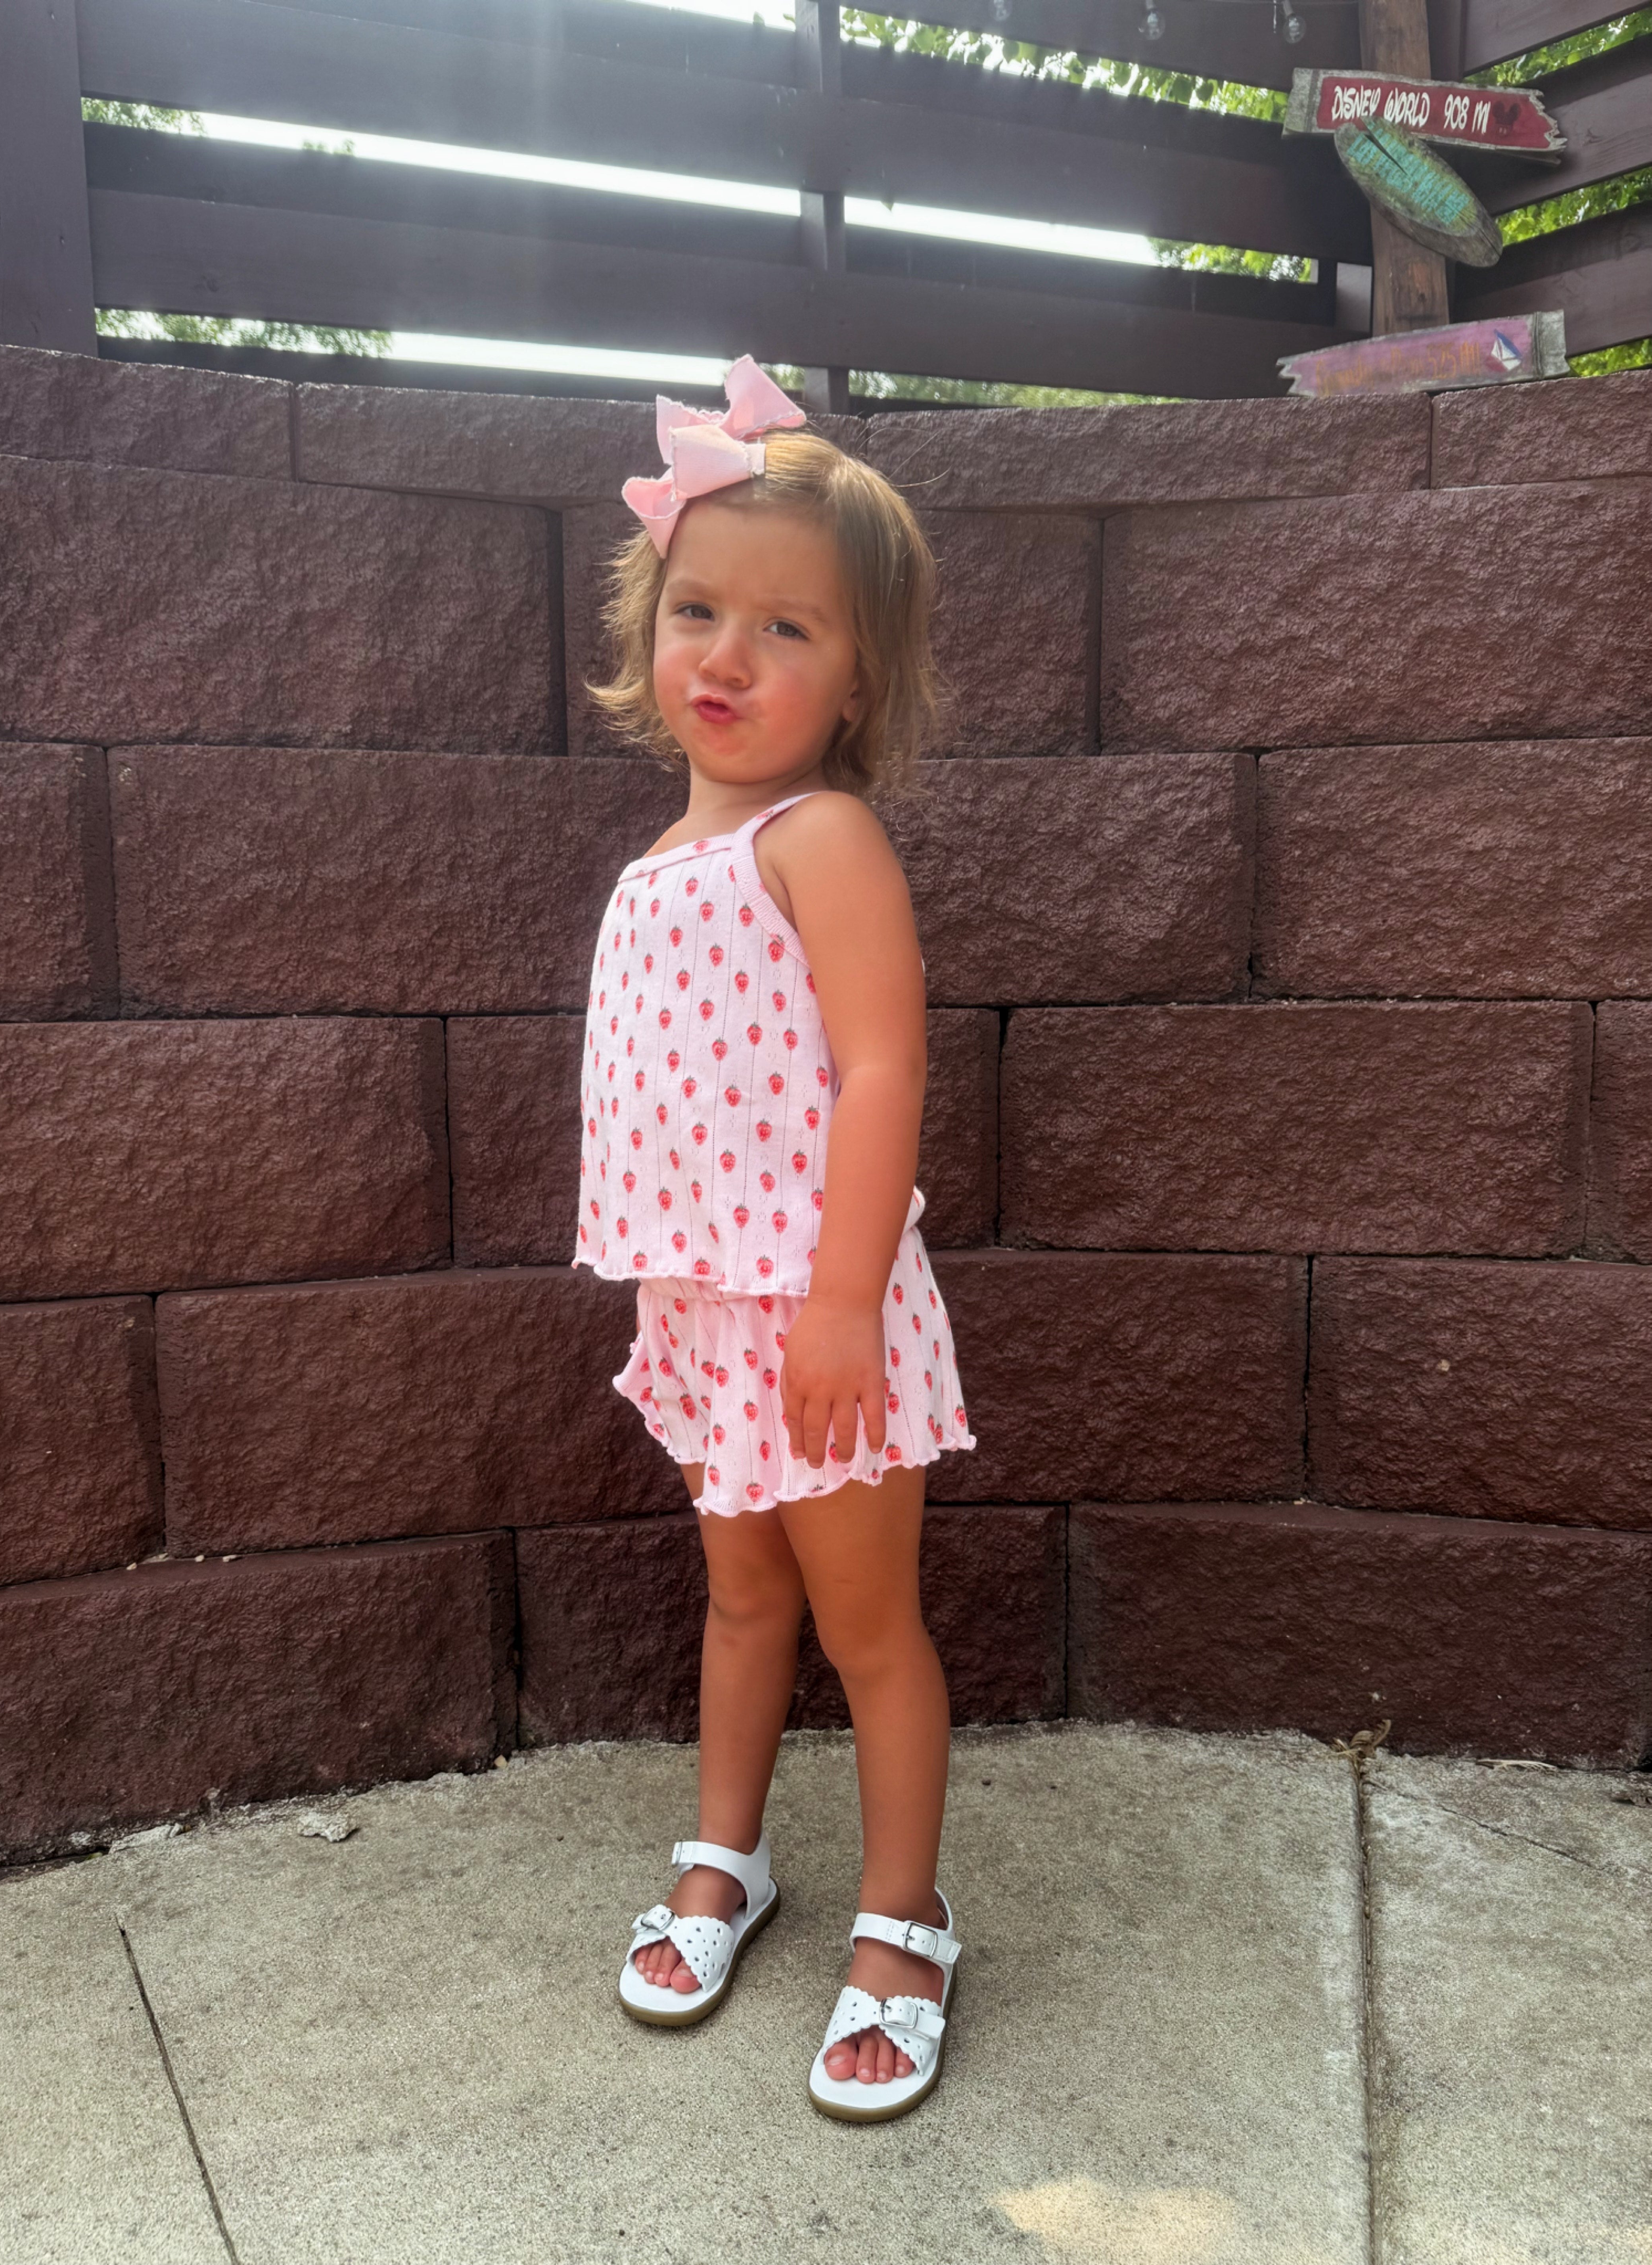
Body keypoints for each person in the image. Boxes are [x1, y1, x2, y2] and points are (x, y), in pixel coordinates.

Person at [573, 357, 976, 2123]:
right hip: (701, 1313)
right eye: (700, 612)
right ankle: (724, 1855)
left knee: (868, 1626)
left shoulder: (824, 839)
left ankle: (905, 1921)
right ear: (649, 628)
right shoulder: (659, 861)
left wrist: (840, 1302)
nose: (727, 657)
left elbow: (884, 1067)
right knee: (741, 1597)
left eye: (786, 629)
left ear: (859, 678)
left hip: (824, 1316)